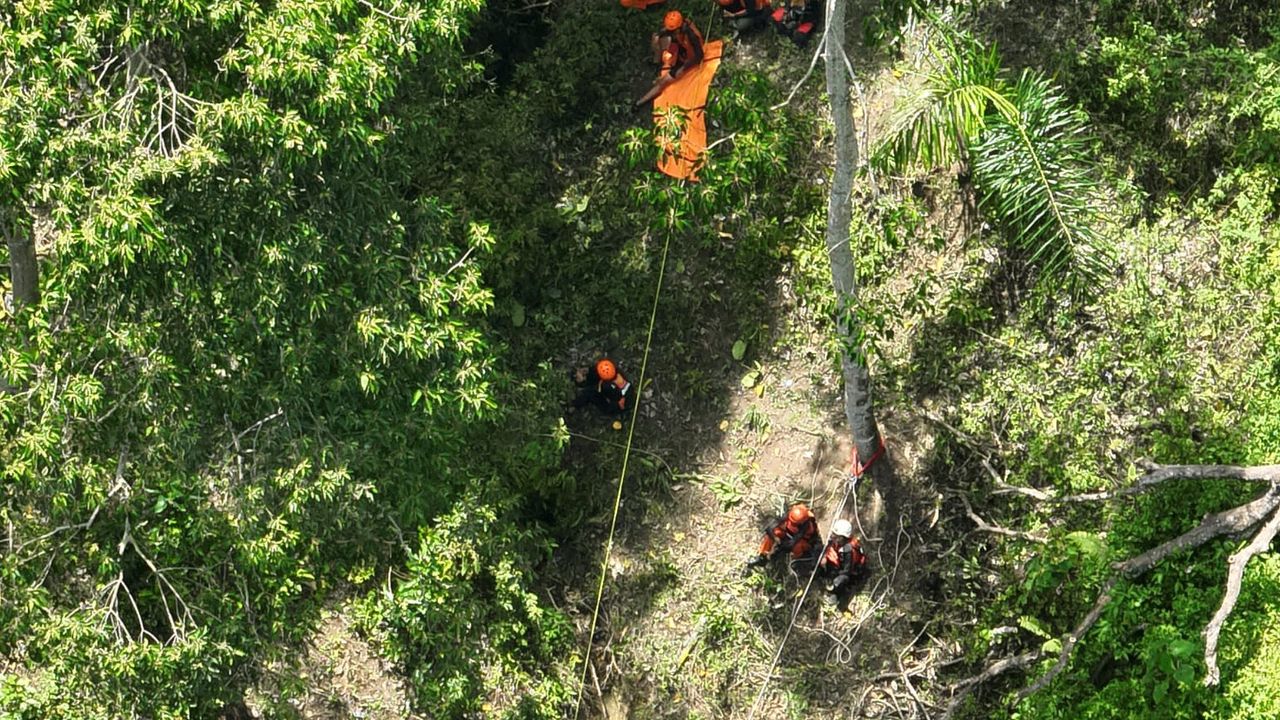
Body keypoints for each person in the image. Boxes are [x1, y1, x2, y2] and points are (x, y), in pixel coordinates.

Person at [635, 11, 705, 107]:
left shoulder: (691, 36)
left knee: (663, 82)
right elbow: (664, 32)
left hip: (689, 58)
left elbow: (699, 56)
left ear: (678, 29)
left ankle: (640, 103)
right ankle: (656, 63)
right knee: (657, 40)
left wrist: (683, 68)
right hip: (681, 50)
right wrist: (657, 38)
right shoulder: (677, 28)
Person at [743, 503, 821, 575]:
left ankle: (794, 560)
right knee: (775, 532)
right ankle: (762, 554)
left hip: (803, 541)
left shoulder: (808, 526)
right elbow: (775, 524)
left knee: (798, 546)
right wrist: (774, 536)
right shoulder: (793, 514)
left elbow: (794, 541)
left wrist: (781, 547)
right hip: (790, 534)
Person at [570, 358, 633, 428]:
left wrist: (583, 381)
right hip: (624, 395)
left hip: (617, 406)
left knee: (590, 394)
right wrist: (587, 371)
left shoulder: (607, 386)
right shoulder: (617, 371)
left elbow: (595, 390)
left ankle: (573, 405)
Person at [818, 518, 867, 605]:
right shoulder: (837, 542)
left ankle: (837, 594)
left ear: (843, 537)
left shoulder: (848, 551)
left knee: (842, 580)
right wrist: (825, 557)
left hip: (851, 571)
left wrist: (836, 582)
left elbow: (846, 571)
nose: (833, 536)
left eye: (836, 535)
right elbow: (828, 548)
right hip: (839, 564)